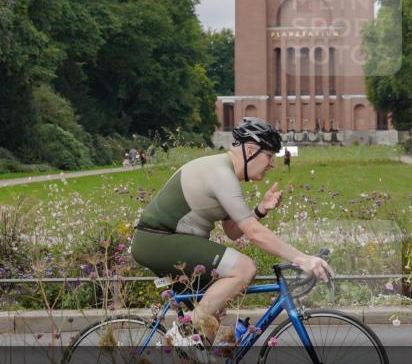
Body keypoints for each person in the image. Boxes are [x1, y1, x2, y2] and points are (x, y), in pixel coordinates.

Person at [130, 117, 332, 347]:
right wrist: (302, 259)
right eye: (268, 156)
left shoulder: (226, 174)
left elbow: (232, 231)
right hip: (157, 239)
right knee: (244, 268)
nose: (272, 164)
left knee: (211, 317)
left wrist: (261, 209)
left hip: (161, 240)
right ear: (250, 150)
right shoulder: (221, 175)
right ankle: (182, 333)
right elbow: (254, 234)